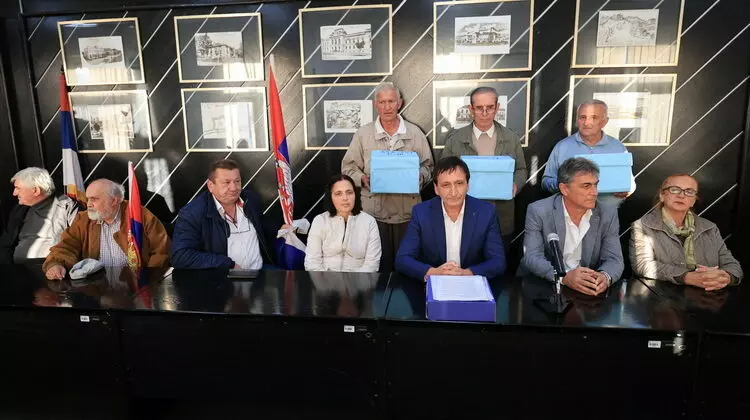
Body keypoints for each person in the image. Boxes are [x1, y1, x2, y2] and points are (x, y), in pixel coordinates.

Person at [342, 82, 434, 273]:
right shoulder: (363, 134)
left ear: (399, 103)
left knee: (407, 268)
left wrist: (421, 177)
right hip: (373, 213)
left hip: (408, 213)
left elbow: (429, 166)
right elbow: (348, 167)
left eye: (391, 101)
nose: (387, 107)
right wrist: (362, 179)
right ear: (375, 104)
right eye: (382, 102)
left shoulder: (415, 133)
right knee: (377, 269)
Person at [518, 157, 624, 296]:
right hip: (542, 285)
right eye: (586, 186)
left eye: (595, 185)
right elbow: (532, 257)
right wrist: (564, 277)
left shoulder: (608, 213)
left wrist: (605, 276)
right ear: (564, 189)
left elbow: (614, 259)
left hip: (587, 288)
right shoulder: (539, 211)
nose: (595, 192)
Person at [441, 86, 528, 246]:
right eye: (479, 108)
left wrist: (515, 185)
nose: (485, 113)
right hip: (464, 212)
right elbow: (443, 173)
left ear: (497, 108)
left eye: (490, 107)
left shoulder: (511, 138)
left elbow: (521, 170)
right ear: (471, 109)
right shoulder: (455, 139)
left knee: (499, 258)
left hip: (501, 214)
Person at [395, 157, 505, 280]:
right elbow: (403, 259)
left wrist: (466, 273)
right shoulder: (421, 212)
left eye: (459, 183)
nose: (453, 192)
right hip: (434, 283)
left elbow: (498, 261)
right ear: (436, 189)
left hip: (471, 284)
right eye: (446, 185)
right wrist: (434, 272)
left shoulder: (486, 212)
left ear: (468, 185)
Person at [630, 173, 742, 290]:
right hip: (662, 296)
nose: (681, 195)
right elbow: (642, 264)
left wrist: (725, 277)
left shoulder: (710, 227)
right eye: (674, 189)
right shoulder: (643, 225)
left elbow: (732, 265)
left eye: (689, 191)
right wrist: (687, 277)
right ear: (662, 196)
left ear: (693, 201)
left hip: (710, 294)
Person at [43, 179, 170, 279]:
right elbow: (66, 246)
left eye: (94, 199)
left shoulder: (139, 215)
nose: (88, 204)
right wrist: (56, 263)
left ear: (114, 201)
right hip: (96, 287)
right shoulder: (83, 219)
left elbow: (161, 251)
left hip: (136, 285)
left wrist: (149, 279)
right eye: (88, 199)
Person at [171, 159, 278, 270]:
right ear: (210, 186)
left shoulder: (250, 199)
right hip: (222, 276)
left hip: (260, 271)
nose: (234, 188)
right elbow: (180, 256)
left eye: (237, 181)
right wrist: (228, 264)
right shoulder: (192, 213)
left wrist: (281, 230)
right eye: (226, 182)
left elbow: (263, 224)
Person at [541, 99, 635, 208]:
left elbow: (630, 183)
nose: (587, 123)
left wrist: (628, 190)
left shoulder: (618, 148)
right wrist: (565, 185)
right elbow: (546, 181)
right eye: (583, 117)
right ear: (577, 120)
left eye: (594, 117)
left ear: (605, 121)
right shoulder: (562, 147)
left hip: (608, 213)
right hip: (571, 214)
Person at [305, 174, 382, 272]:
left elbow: (372, 264)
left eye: (349, 192)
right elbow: (312, 262)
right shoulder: (320, 221)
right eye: (338, 194)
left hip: (359, 280)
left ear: (355, 194)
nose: (345, 198)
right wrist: (326, 281)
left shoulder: (369, 222)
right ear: (330, 197)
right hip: (325, 279)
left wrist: (354, 281)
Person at [0, 167, 79, 263]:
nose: (14, 193)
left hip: (52, 266)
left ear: (36, 190)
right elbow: (6, 243)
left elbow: (77, 240)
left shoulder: (66, 207)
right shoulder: (18, 210)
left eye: (18, 188)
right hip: (16, 267)